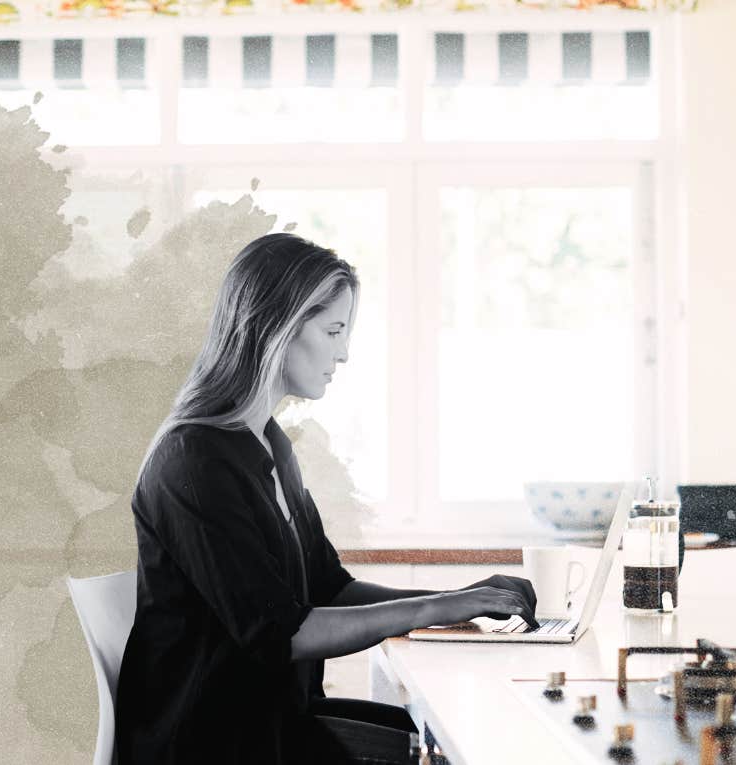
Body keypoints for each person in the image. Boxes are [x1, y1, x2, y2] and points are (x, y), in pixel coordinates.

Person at [114, 233, 539, 765]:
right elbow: (281, 634)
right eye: (334, 331)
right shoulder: (194, 461)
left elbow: (329, 589)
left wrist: (463, 599)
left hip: (274, 722)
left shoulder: (267, 445)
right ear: (277, 329)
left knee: (454, 741)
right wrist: (437, 607)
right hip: (215, 741)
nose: (343, 353)